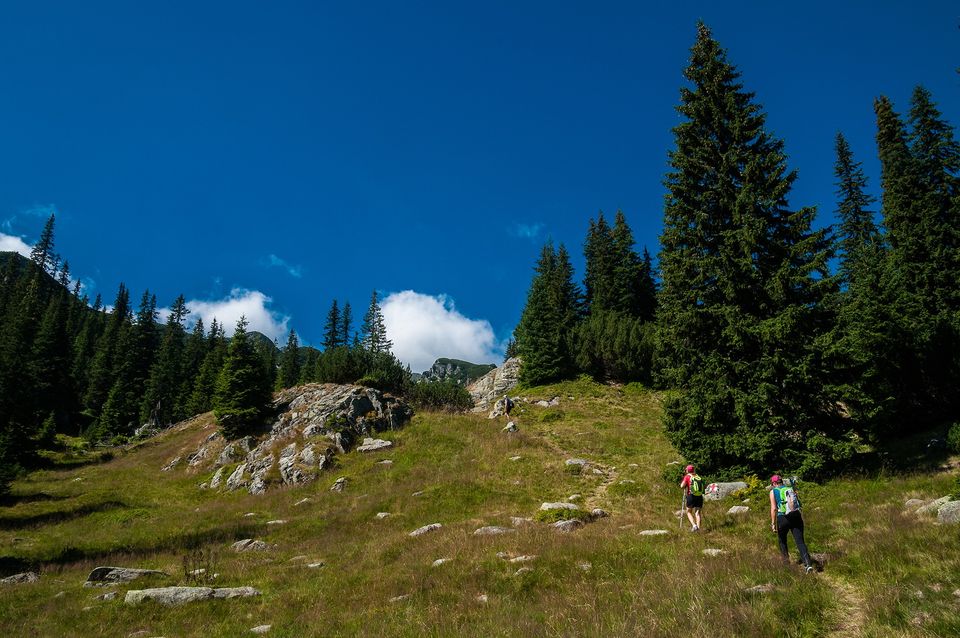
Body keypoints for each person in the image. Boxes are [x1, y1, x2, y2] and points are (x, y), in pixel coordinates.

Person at [769, 475, 814, 573]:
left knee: (782, 541)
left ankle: (786, 565)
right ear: (781, 481)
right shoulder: (790, 489)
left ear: (774, 483)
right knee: (800, 542)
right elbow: (798, 504)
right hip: (796, 516)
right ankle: (808, 565)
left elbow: (774, 508)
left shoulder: (773, 492)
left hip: (783, 518)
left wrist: (773, 524)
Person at [679, 464, 704, 531]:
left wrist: (685, 485)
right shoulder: (698, 476)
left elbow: (682, 486)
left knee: (688, 511)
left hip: (691, 496)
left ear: (687, 470)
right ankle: (698, 529)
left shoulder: (687, 477)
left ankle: (694, 525)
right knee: (697, 513)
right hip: (699, 496)